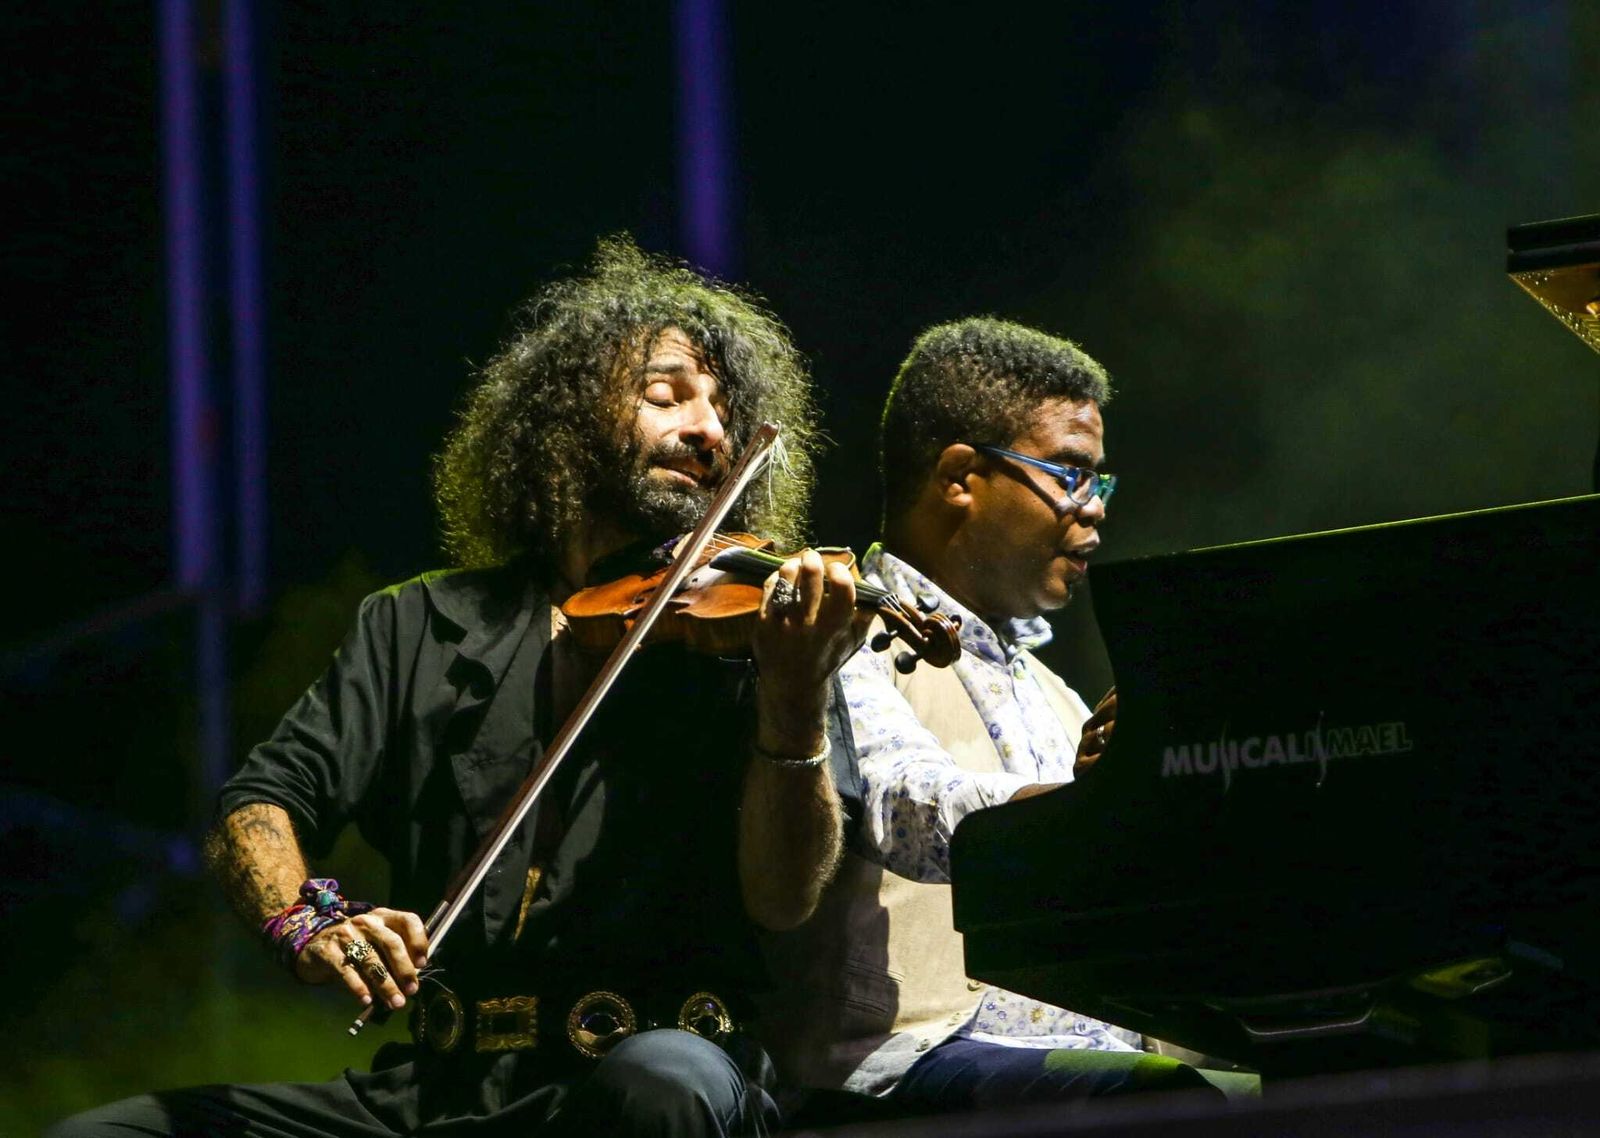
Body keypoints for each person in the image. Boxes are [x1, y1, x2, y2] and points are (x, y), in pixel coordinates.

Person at [50, 238, 868, 1138]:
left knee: (660, 1086)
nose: (709, 432)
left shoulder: (769, 633)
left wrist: (793, 702)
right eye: (667, 396)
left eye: (723, 413)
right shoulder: (418, 624)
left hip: (649, 1067)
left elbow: (786, 899)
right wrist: (309, 921)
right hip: (436, 1089)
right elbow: (259, 803)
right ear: (567, 420)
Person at [758, 317, 1253, 1122]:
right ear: (961, 477)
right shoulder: (836, 636)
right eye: (1070, 475)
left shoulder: (1059, 697)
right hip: (905, 1064)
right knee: (1167, 1104)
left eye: (1101, 482)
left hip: (1085, 1066)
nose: (1095, 510)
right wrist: (1087, 803)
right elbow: (910, 806)